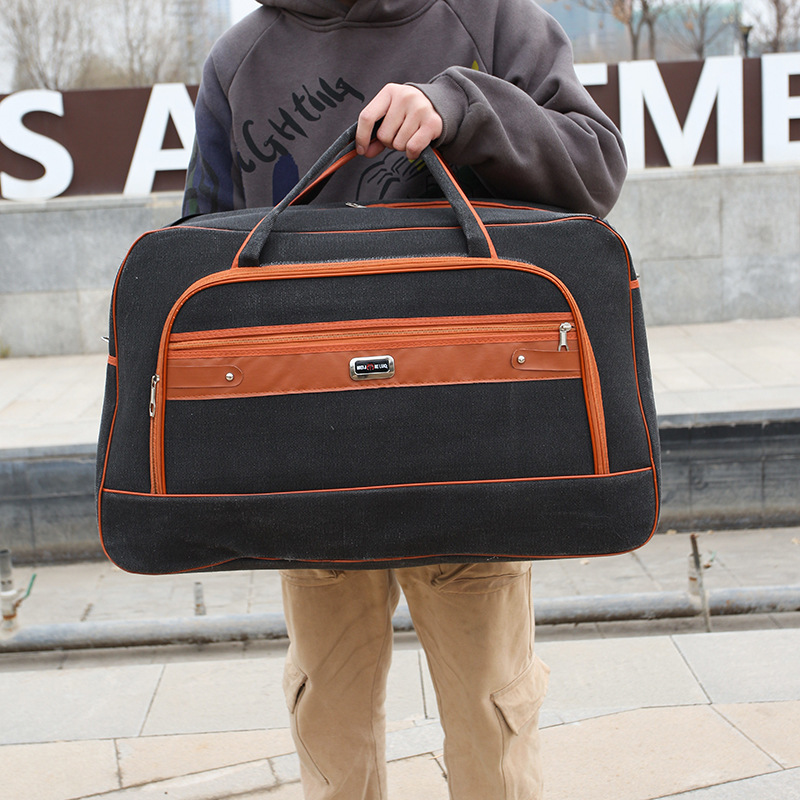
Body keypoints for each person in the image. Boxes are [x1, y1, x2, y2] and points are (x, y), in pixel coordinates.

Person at [183, 1, 627, 798]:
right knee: (333, 738)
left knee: (492, 738)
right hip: (311, 459)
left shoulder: (492, 20)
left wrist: (462, 106)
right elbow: (204, 263)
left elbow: (595, 169)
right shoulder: (241, 59)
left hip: (471, 443)